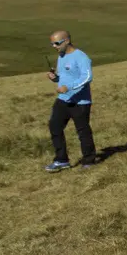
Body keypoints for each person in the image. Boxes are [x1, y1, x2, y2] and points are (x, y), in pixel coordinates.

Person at [44, 30, 97, 172]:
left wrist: (69, 87)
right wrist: (55, 78)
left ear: (66, 41)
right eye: (52, 44)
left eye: (57, 43)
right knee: (54, 127)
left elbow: (87, 77)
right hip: (63, 99)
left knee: (83, 131)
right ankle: (61, 160)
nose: (54, 46)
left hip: (80, 102)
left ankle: (89, 160)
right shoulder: (61, 56)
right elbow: (63, 75)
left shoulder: (81, 57)